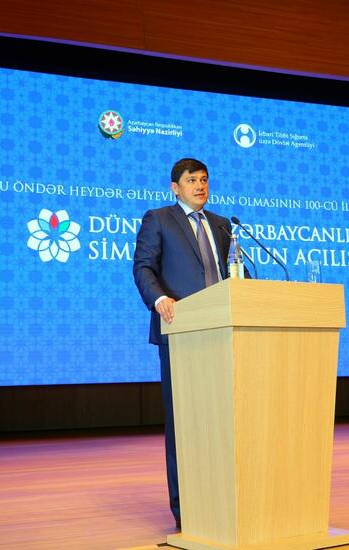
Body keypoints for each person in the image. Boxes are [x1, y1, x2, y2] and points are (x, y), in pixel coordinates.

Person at [132, 158, 235, 530]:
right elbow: (143, 266)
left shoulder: (222, 225)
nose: (200, 186)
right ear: (175, 187)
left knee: (224, 422)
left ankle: (225, 501)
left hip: (224, 332)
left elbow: (230, 273)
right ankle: (186, 511)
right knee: (184, 425)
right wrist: (159, 299)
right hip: (182, 332)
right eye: (192, 180)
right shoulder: (159, 219)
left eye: (204, 179)